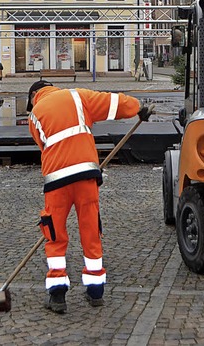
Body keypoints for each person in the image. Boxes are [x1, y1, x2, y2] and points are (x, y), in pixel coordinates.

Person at [26, 80, 153, 313]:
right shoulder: (78, 97)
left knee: (54, 234)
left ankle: (57, 295)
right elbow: (114, 103)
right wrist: (137, 108)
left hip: (56, 181)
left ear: (35, 95)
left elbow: (44, 147)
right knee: (90, 230)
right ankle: (95, 292)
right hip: (86, 175)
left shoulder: (34, 115)